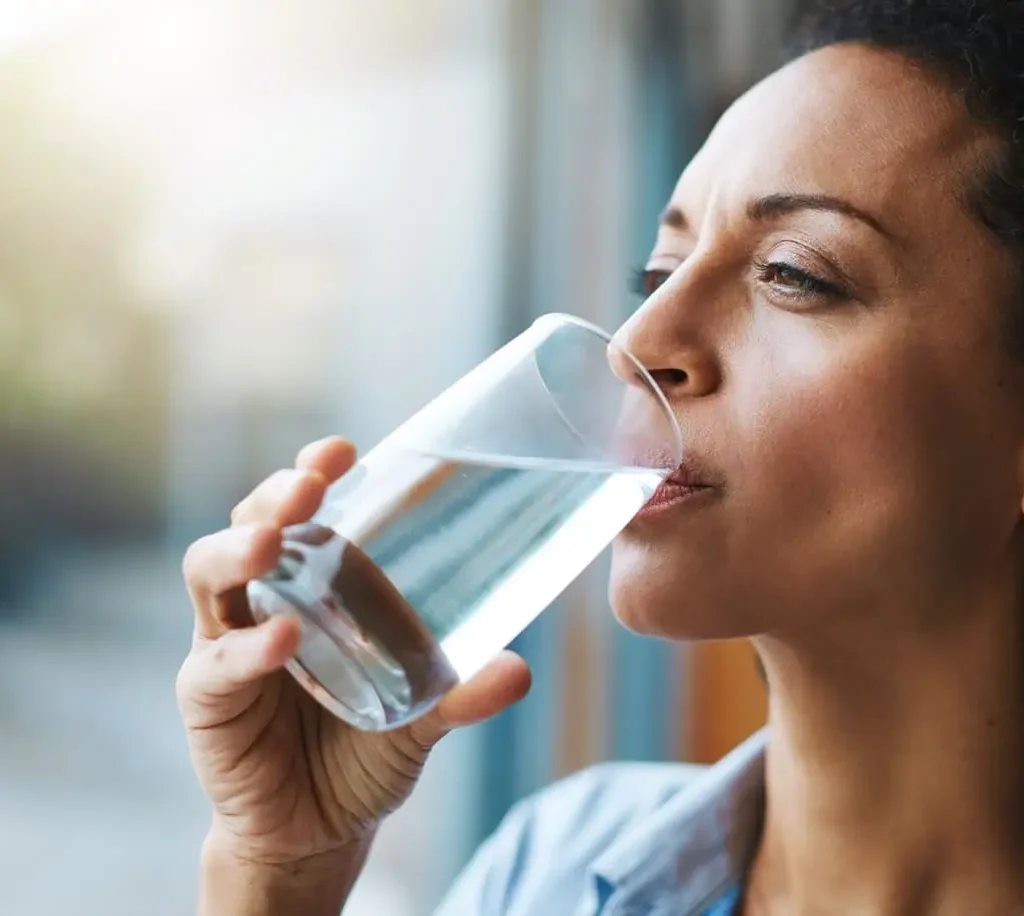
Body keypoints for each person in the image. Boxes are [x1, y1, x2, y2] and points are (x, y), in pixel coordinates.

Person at [176, 0, 1024, 913]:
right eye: (657, 274)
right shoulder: (549, 870)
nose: (636, 342)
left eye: (795, 273)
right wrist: (280, 872)